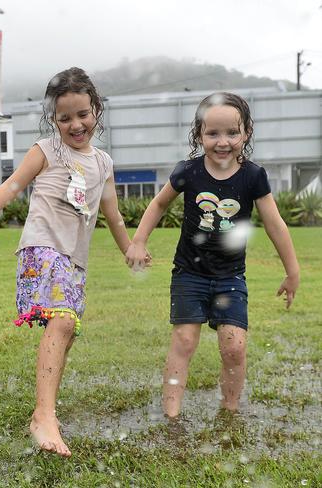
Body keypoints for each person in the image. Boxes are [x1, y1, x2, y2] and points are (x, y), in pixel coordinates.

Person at [0, 67, 147, 457]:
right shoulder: (47, 151)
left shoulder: (103, 163)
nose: (75, 124)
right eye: (65, 118)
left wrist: (129, 247)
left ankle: (45, 413)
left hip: (74, 260)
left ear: (96, 109)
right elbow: (12, 186)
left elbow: (112, 215)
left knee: (68, 330)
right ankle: (43, 416)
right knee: (62, 320)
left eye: (83, 114)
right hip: (42, 249)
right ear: (53, 119)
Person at [125, 92, 300, 419]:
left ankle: (229, 410)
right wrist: (138, 240)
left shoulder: (253, 176)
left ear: (246, 132)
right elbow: (160, 203)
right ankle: (172, 415)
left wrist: (292, 271)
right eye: (213, 133)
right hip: (189, 273)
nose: (223, 142)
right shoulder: (188, 172)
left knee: (234, 346)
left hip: (230, 277)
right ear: (199, 135)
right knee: (184, 341)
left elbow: (275, 224)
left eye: (232, 133)